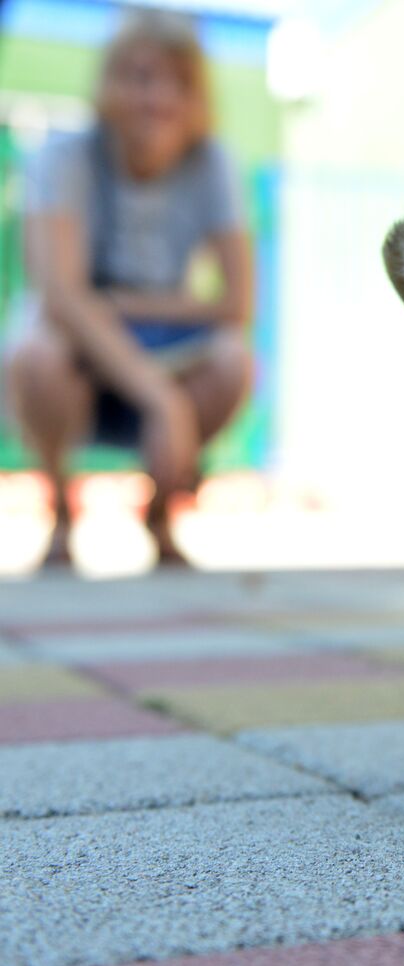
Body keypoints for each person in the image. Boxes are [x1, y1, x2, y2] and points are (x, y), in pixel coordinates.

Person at [3, 9, 253, 568]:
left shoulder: (213, 162)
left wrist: (123, 303)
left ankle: (160, 516)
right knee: (35, 355)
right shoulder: (62, 156)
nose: (157, 97)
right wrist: (163, 399)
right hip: (76, 344)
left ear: (198, 98)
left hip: (158, 336)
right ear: (110, 84)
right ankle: (61, 517)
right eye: (141, 76)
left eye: (178, 81)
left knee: (233, 360)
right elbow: (60, 297)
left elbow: (237, 304)